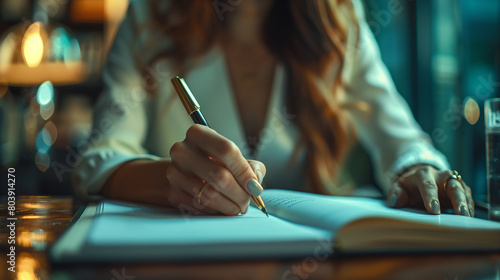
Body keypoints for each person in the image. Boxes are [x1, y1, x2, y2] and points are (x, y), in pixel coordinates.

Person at [73, 0, 474, 217]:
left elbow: (402, 141)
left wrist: (418, 168)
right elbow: (100, 158)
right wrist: (170, 181)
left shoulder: (338, 18)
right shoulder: (150, 14)